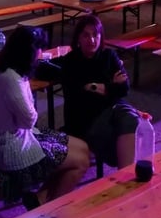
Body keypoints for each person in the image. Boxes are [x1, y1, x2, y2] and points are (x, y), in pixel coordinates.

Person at [0, 26, 90, 210]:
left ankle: (40, 200)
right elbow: (30, 119)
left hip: (24, 136)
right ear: (26, 53)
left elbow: (25, 119)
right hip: (13, 151)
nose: (41, 54)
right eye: (38, 49)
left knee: (83, 147)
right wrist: (28, 112)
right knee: (81, 163)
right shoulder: (10, 79)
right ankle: (49, 211)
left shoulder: (14, 70)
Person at [39, 14, 141, 168]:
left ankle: (126, 174)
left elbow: (124, 88)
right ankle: (124, 170)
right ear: (78, 38)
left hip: (114, 107)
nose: (92, 40)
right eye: (86, 35)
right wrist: (109, 86)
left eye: (95, 35)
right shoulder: (71, 61)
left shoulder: (109, 56)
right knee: (110, 135)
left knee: (132, 118)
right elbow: (80, 97)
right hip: (87, 118)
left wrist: (93, 86)